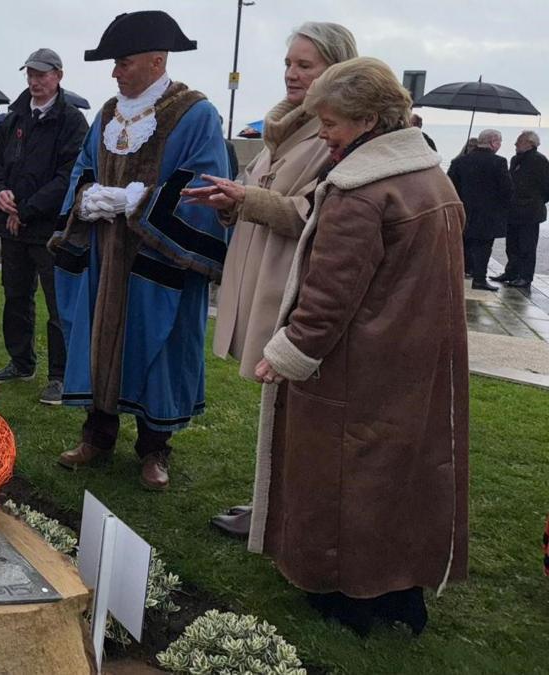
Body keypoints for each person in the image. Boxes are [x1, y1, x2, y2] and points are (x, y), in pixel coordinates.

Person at [251, 57, 468, 637]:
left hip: (355, 365)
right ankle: (401, 592)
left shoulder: (360, 191)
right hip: (415, 361)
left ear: (369, 119)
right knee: (401, 477)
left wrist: (287, 353)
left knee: (345, 479)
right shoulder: (432, 179)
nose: (323, 134)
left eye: (330, 123)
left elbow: (329, 296)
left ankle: (344, 596)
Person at [183, 21, 358, 539]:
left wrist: (248, 200)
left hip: (295, 285)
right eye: (288, 64)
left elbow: (320, 212)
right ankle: (271, 503)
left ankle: (280, 510)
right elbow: (257, 190)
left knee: (295, 402)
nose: (292, 74)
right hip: (264, 271)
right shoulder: (282, 129)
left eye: (305, 65)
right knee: (279, 402)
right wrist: (230, 201)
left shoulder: (336, 135)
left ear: (336, 70)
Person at [52, 11, 230, 489]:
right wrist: (87, 196)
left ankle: (155, 449)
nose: (115, 72)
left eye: (123, 62)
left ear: (157, 61)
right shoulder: (106, 114)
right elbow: (83, 167)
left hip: (159, 257)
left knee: (159, 350)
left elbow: (206, 183)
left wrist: (140, 202)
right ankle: (97, 435)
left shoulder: (196, 114)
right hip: (104, 255)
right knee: (98, 340)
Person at [0, 47, 88, 406]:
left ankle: (60, 376)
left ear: (58, 76)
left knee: (58, 304)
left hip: (50, 230)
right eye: (30, 74)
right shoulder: (15, 115)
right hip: (13, 227)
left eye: (41, 74)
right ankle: (21, 362)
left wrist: (25, 210)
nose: (34, 81)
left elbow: (68, 176)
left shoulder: (72, 120)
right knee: (15, 296)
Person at [448, 128, 513, 290]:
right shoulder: (499, 162)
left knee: (462, 245)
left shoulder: (460, 162)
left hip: (464, 212)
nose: (500, 145)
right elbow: (507, 190)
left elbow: (449, 186)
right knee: (483, 248)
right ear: (492, 142)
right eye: (499, 142)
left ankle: (456, 277)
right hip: (488, 214)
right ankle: (479, 279)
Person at [493, 131, 549, 288]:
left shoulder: (539, 160)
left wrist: (535, 200)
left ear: (530, 143)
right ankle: (511, 272)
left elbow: (546, 187)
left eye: (519, 141)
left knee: (527, 246)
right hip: (514, 209)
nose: (515, 144)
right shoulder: (515, 159)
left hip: (530, 211)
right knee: (512, 244)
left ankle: (525, 276)